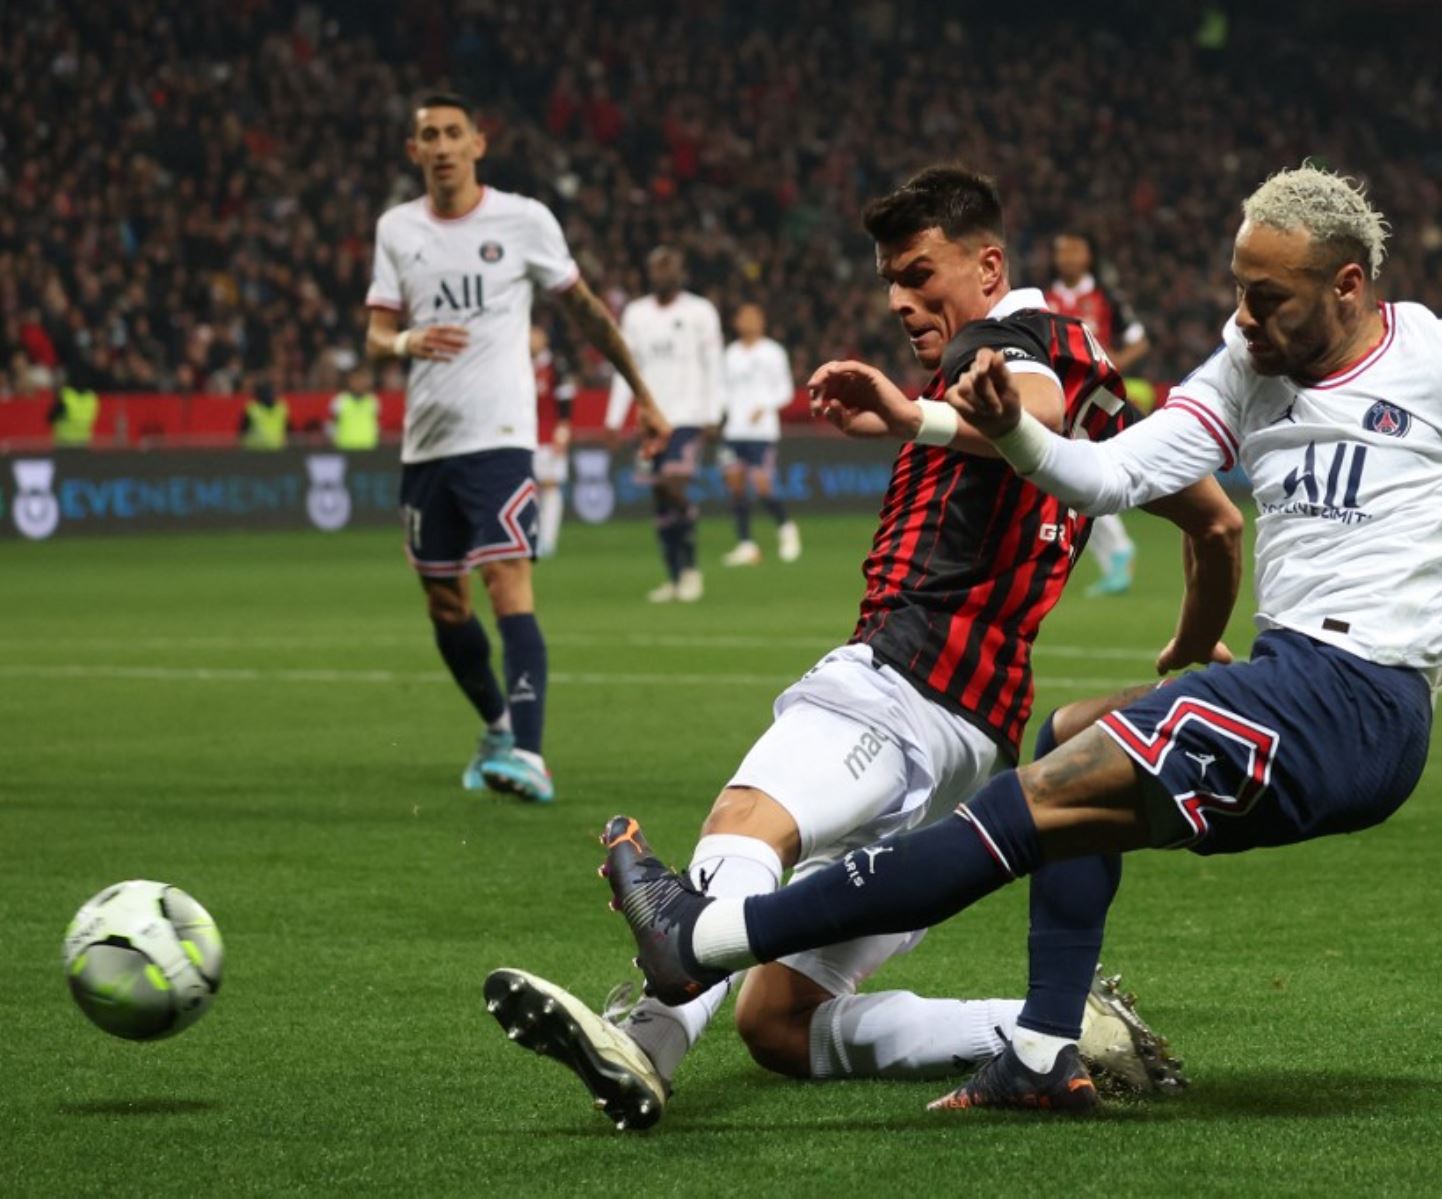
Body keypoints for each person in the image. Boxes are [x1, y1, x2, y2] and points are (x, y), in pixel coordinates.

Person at [603, 165, 1442, 1115]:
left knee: (1038, 795)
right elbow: (1110, 471)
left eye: (1269, 297)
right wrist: (953, 420)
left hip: (1366, 699)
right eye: (1239, 292)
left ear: (1348, 284)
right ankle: (1045, 1050)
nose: (1244, 319)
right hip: (1288, 680)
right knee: (1067, 737)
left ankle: (703, 939)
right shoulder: (1248, 371)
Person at [484, 165, 1244, 1131]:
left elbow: (1031, 408)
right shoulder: (1106, 397)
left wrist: (912, 413)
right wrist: (1186, 639)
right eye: (889, 278)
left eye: (920, 272)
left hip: (902, 680)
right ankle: (1052, 1029)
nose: (900, 300)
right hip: (979, 738)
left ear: (988, 265)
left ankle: (649, 1039)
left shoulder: (1007, 341)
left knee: (746, 820)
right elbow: (1216, 523)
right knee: (780, 1022)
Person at [365, 92, 665, 804]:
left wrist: (644, 393)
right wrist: (406, 340)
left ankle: (531, 753)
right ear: (414, 152)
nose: (440, 146)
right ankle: (498, 726)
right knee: (445, 603)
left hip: (500, 438)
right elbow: (376, 333)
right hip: (425, 446)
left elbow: (585, 309)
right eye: (427, 136)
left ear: (478, 142)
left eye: (452, 133)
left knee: (508, 584)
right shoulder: (396, 229)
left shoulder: (524, 220)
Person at [606, 247, 724, 602]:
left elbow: (713, 363)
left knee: (675, 488)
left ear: (681, 272)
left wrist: (714, 412)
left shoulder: (699, 311)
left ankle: (690, 570)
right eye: (656, 268)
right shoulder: (636, 313)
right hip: (650, 420)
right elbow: (626, 366)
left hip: (687, 417)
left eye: (668, 267)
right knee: (660, 499)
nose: (662, 274)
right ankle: (673, 577)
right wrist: (613, 418)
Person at [1046, 230, 1151, 596]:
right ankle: (1115, 557)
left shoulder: (1106, 297)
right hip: (1056, 398)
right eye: (1061, 249)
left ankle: (1116, 554)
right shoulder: (1046, 299)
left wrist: (1113, 363)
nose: (1067, 256)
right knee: (1072, 479)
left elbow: (1140, 339)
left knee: (1076, 476)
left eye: (1074, 249)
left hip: (1092, 398)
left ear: (1088, 256)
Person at [719, 302, 801, 567]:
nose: (747, 321)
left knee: (762, 485)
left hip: (762, 431)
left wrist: (764, 406)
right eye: (743, 316)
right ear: (736, 322)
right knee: (735, 487)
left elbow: (786, 390)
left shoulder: (773, 352)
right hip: (734, 430)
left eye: (753, 316)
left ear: (762, 321)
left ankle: (786, 528)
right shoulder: (729, 354)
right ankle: (746, 545)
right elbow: (722, 390)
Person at [529, 326, 575, 558]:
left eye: (535, 335)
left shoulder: (556, 366)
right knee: (530, 489)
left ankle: (548, 540)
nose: (531, 340)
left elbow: (565, 405)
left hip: (549, 437)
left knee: (550, 485)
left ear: (544, 339)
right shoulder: (521, 365)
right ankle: (532, 536)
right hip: (526, 437)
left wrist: (563, 433)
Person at [328, 365, 381, 450]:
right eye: (355, 380)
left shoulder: (373, 401)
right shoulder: (340, 400)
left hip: (369, 449)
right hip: (345, 448)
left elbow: (376, 425)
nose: (358, 383)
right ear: (349, 381)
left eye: (361, 379)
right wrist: (333, 443)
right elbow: (331, 425)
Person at [239, 382, 288, 450]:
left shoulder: (281, 408)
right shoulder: (252, 408)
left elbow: (288, 430)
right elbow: (242, 431)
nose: (268, 395)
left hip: (276, 449)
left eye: (270, 392)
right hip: (254, 450)